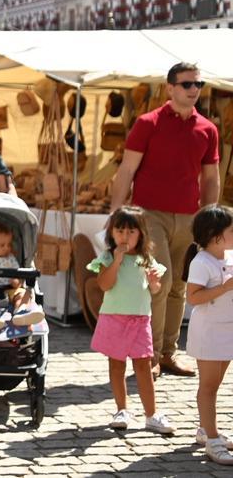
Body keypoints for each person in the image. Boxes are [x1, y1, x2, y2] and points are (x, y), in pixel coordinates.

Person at [111, 62, 220, 379]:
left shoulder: (207, 129)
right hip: (149, 215)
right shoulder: (148, 123)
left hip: (190, 217)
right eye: (187, 84)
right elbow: (127, 171)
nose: (194, 89)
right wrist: (117, 216)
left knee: (180, 286)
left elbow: (211, 177)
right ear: (170, 87)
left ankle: (169, 354)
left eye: (198, 83)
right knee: (163, 282)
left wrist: (209, 218)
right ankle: (151, 354)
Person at [87, 206, 173, 435]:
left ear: (141, 233)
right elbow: (105, 284)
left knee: (143, 365)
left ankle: (151, 414)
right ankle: (122, 409)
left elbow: (154, 290)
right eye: (120, 231)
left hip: (140, 319)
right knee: (116, 365)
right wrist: (116, 260)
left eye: (131, 231)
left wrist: (154, 282)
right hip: (114, 319)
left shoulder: (146, 259)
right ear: (112, 233)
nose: (125, 236)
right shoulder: (107, 257)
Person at [185, 204, 233, 465]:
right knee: (209, 387)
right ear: (216, 236)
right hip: (209, 334)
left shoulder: (229, 256)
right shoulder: (201, 262)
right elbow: (192, 297)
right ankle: (212, 440)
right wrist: (224, 289)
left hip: (227, 330)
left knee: (215, 385)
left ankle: (206, 429)